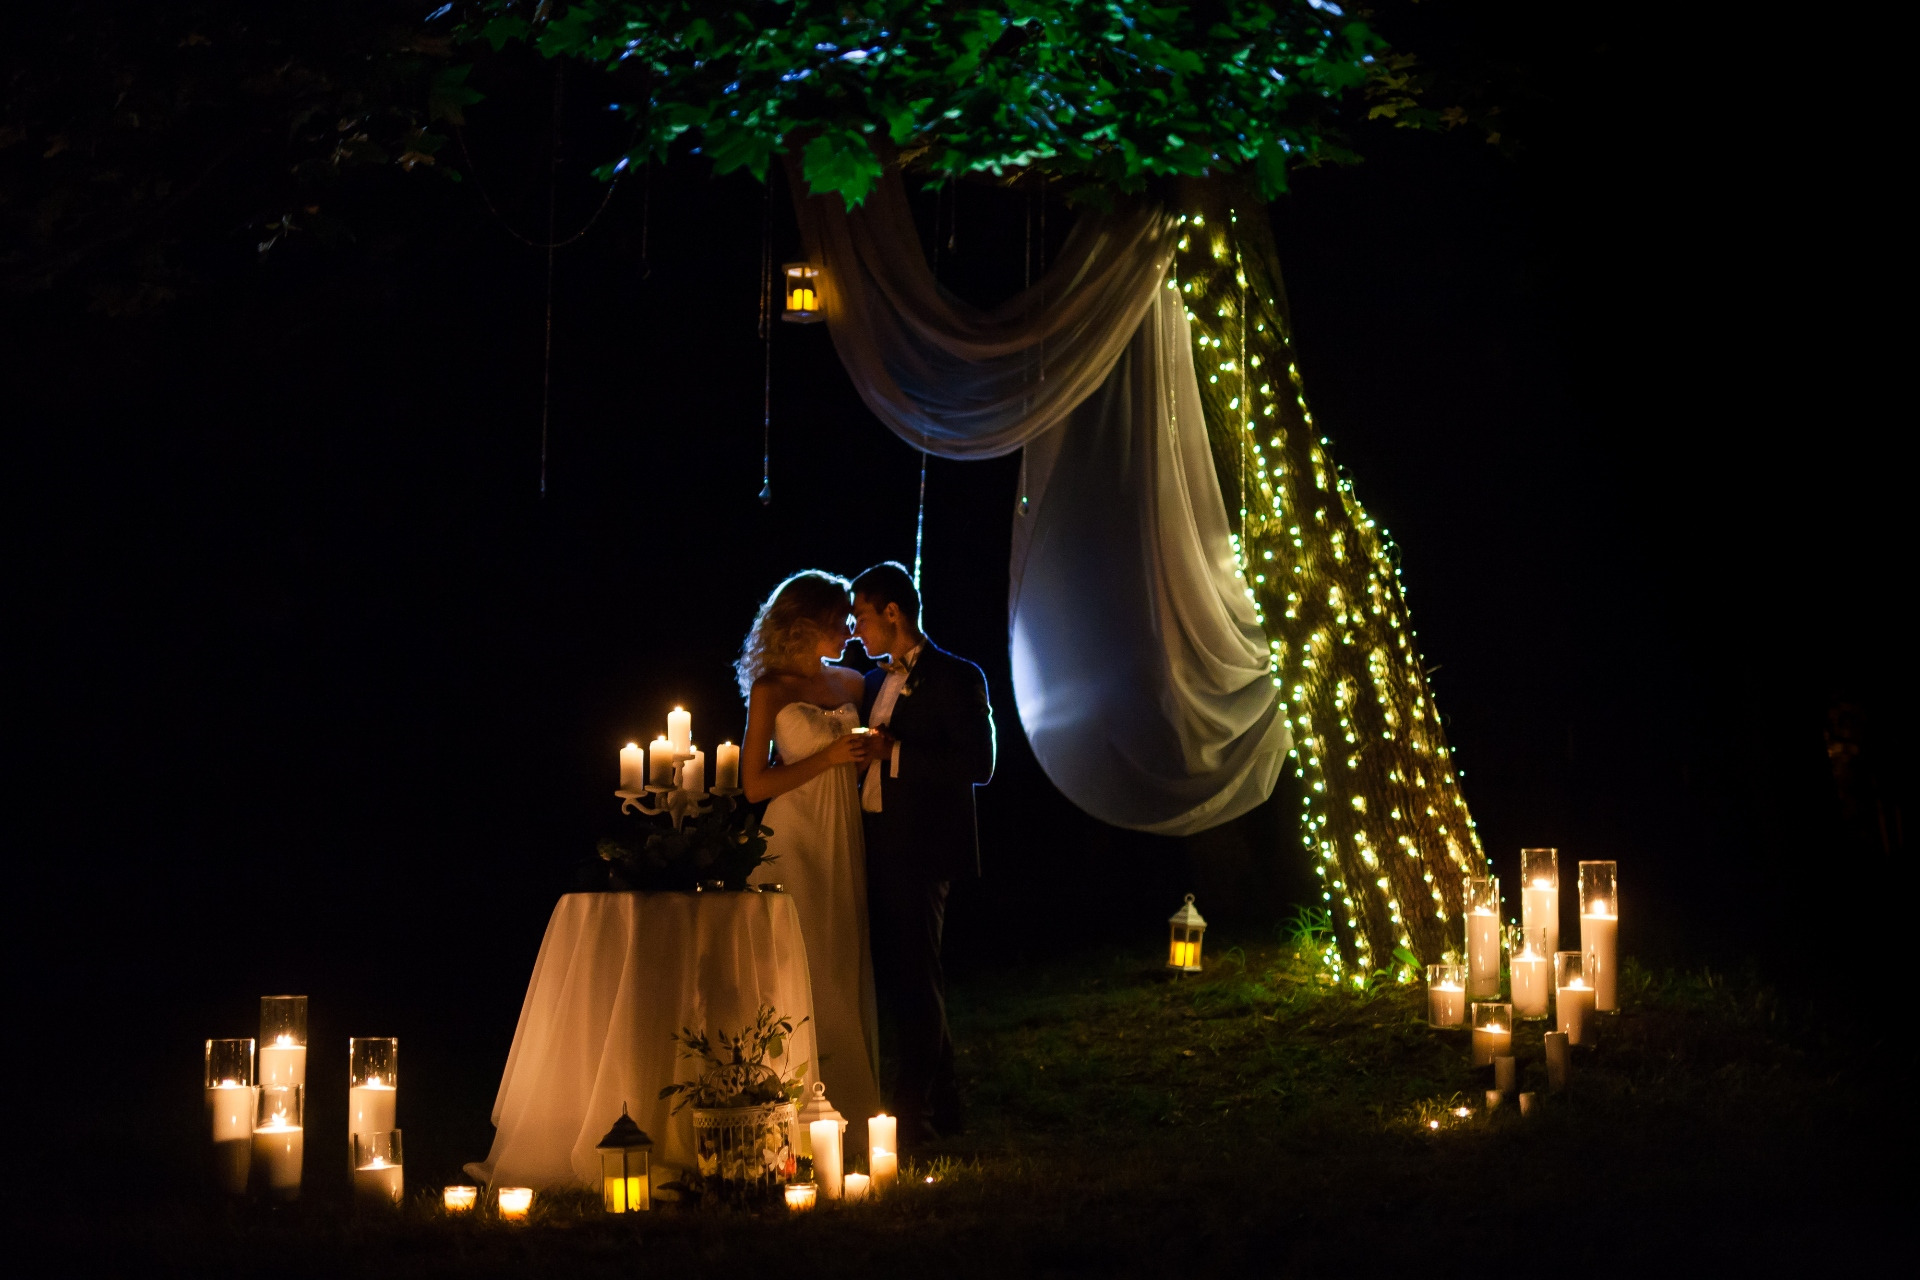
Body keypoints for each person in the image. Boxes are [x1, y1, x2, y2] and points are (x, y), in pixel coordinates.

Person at [849, 561, 995, 1145]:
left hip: (926, 847)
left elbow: (978, 765)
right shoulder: (872, 681)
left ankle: (913, 1116)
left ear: (893, 612)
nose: (857, 629)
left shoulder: (959, 676)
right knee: (913, 975)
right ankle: (945, 1105)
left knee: (916, 977)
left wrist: (894, 752)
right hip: (880, 843)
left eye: (862, 616)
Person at [736, 571, 883, 1150]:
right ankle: (784, 1108)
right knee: (802, 961)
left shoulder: (852, 682)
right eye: (838, 620)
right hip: (793, 835)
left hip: (841, 832)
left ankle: (849, 1100)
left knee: (842, 955)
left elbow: (866, 759)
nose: (849, 629)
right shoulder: (771, 687)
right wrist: (828, 760)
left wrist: (866, 756)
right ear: (804, 624)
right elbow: (754, 786)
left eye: (851, 618)